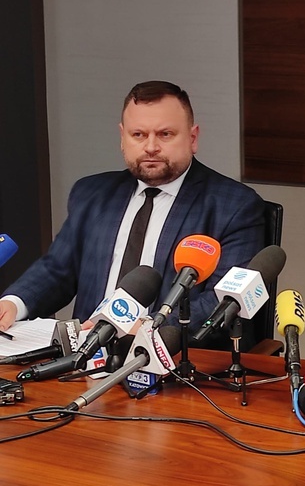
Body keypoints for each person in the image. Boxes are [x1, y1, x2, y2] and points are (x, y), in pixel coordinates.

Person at [0, 80, 265, 349]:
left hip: (175, 358)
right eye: (138, 134)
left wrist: (152, 326)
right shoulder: (92, 194)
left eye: (165, 134)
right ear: (122, 138)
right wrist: (13, 303)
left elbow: (223, 301)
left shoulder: (234, 206)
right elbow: (57, 271)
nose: (150, 147)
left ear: (192, 138)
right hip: (86, 354)